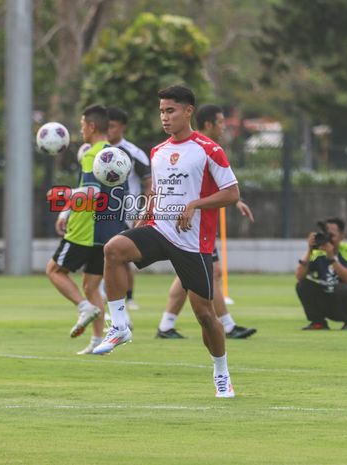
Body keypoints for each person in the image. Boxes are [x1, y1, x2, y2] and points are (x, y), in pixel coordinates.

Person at [93, 85, 240, 398]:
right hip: (160, 230)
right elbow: (158, 192)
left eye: (170, 110)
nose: (164, 117)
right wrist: (144, 215)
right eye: (161, 111)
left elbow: (232, 193)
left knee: (205, 315)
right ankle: (119, 325)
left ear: (188, 111)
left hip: (192, 242)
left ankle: (221, 372)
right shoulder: (157, 151)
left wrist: (195, 205)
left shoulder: (208, 149)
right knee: (114, 249)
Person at [155, 103, 257, 340]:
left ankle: (167, 324)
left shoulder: (209, 149)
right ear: (209, 124)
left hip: (200, 224)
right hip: (191, 226)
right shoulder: (195, 149)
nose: (223, 127)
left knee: (198, 274)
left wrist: (236, 201)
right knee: (207, 272)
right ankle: (226, 326)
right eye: (220, 122)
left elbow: (222, 187)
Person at [45, 104, 129, 354]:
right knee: (92, 285)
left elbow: (90, 193)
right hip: (109, 230)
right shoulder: (115, 154)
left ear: (91, 126)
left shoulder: (93, 155)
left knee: (54, 270)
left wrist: (66, 202)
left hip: (86, 228)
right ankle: (96, 341)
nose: (81, 129)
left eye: (82, 125)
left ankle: (84, 308)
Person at [105, 106, 152, 312]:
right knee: (105, 256)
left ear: (122, 127)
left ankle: (128, 298)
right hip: (102, 212)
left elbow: (150, 184)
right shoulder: (99, 151)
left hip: (127, 213)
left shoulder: (133, 153)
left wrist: (142, 213)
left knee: (122, 258)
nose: (109, 130)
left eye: (113, 126)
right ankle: (107, 299)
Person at [295, 218, 347, 330]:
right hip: (329, 301)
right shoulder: (317, 252)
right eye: (326, 235)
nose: (328, 240)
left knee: (342, 289)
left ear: (342, 237)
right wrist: (309, 250)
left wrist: (332, 258)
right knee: (303, 285)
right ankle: (318, 322)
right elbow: (299, 276)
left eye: (332, 236)